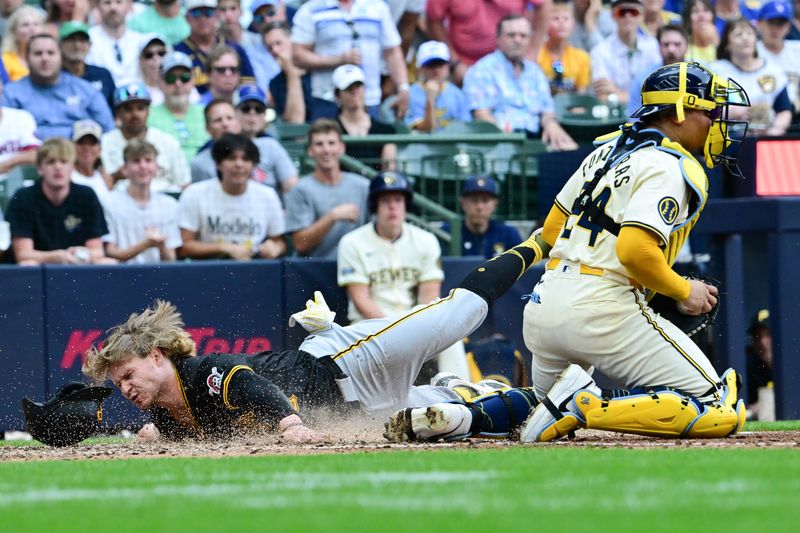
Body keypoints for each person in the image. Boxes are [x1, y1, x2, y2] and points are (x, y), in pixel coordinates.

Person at [385, 62, 752, 444]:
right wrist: (683, 290)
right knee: (718, 406)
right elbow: (634, 251)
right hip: (602, 306)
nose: (715, 122)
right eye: (708, 112)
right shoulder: (669, 165)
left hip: (546, 302)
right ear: (677, 112)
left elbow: (552, 229)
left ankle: (463, 417)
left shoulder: (607, 151)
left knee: (542, 404)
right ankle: (584, 405)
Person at [82, 226, 553, 441]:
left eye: (128, 373)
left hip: (346, 361)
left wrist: (289, 426)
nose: (125, 388)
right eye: (119, 383)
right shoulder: (168, 416)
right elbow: (162, 434)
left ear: (158, 355)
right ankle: (486, 390)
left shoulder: (204, 370)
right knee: (452, 414)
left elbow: (249, 385)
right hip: (359, 411)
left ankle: (539, 241)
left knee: (458, 316)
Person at [338, 172, 443, 323]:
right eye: (385, 200)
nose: (393, 206)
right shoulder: (352, 242)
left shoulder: (426, 240)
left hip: (417, 325)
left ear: (406, 205)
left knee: (454, 346)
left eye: (398, 200)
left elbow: (429, 297)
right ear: (375, 206)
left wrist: (416, 329)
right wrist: (395, 329)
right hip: (369, 327)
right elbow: (361, 300)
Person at [463, 14, 577, 150]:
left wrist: (550, 124)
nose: (517, 40)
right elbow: (481, 116)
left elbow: (547, 109)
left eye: (523, 36)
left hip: (536, 137)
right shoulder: (482, 70)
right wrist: (509, 140)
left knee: (573, 152)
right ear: (498, 38)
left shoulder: (534, 71)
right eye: (511, 35)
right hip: (500, 141)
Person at [291, 0, 410, 121]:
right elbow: (297, 55)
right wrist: (337, 60)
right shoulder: (312, 9)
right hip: (327, 98)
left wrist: (403, 87)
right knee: (326, 138)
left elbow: (393, 52)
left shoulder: (377, 7)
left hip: (369, 98)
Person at [178, 133, 286, 261]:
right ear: (218, 164)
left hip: (254, 268)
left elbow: (279, 241)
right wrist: (223, 248)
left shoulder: (267, 195)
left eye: (246, 159)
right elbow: (183, 247)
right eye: (231, 158)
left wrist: (275, 248)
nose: (239, 164)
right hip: (208, 268)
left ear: (253, 165)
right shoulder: (195, 193)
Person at [6, 137, 113, 265]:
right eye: (51, 162)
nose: (58, 167)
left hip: (75, 264)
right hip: (38, 269)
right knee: (28, 264)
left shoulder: (86, 196)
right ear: (40, 169)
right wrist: (57, 257)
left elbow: (97, 251)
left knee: (107, 263)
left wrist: (82, 253)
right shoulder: (24, 197)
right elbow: (23, 255)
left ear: (72, 167)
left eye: (64, 161)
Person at [2, 34, 115, 140]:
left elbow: (109, 130)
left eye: (51, 53)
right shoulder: (11, 93)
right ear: (26, 58)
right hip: (28, 154)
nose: (45, 58)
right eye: (38, 53)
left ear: (61, 56)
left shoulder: (85, 89)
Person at [284, 119, 369, 259]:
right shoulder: (300, 189)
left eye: (331, 143)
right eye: (319, 144)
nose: (326, 150)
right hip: (314, 270)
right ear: (310, 151)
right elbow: (300, 243)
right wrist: (332, 216)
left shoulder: (363, 186)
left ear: (342, 148)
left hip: (357, 269)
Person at [425, 0, 553, 86]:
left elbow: (545, 4)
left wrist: (532, 52)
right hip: (463, 66)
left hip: (510, 65)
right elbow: (433, 20)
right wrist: (455, 62)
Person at [191, 98, 298, 194]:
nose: (225, 124)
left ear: (238, 122)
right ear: (207, 128)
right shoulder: (199, 163)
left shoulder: (269, 146)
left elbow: (292, 186)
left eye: (229, 118)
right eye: (218, 120)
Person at [102, 139, 181, 264]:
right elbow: (110, 253)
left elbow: (171, 258)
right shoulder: (108, 202)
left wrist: (161, 247)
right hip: (121, 276)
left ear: (156, 167)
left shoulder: (169, 205)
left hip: (158, 277)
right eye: (136, 161)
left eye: (148, 160)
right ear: (125, 169)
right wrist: (146, 244)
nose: (143, 166)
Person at [101, 82, 190, 192]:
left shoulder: (168, 141)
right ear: (118, 113)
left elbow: (183, 184)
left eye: (140, 108)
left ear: (148, 111)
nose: (135, 114)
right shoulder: (104, 143)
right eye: (128, 109)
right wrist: (116, 177)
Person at [711, 18, 792, 136]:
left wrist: (773, 134)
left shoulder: (772, 70)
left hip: (768, 138)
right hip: (728, 140)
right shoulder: (716, 72)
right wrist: (729, 112)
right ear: (727, 43)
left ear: (755, 39)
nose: (745, 38)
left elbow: (784, 110)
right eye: (738, 35)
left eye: (749, 33)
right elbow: (705, 110)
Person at [174, 0, 256, 95]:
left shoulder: (235, 48)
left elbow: (249, 86)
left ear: (217, 15)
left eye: (208, 13)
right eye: (196, 13)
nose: (203, 19)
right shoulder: (178, 52)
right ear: (187, 18)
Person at [589, 0, 660, 105]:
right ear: (613, 16)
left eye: (633, 12)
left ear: (642, 16)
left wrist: (617, 93)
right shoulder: (600, 51)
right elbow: (603, 95)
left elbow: (659, 89)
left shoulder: (653, 46)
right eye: (622, 12)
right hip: (615, 116)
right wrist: (646, 97)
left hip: (649, 116)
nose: (628, 17)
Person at [148, 51, 210, 163]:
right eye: (171, 78)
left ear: (192, 81)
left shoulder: (207, 112)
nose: (178, 84)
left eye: (184, 78)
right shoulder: (148, 115)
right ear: (160, 82)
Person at [332, 64, 396, 171]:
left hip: (376, 187)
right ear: (337, 95)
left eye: (358, 86)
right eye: (348, 88)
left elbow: (389, 171)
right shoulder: (331, 130)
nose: (354, 91)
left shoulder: (384, 130)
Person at [406, 40, 471, 132]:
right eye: (431, 65)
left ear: (448, 67)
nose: (436, 70)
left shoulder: (457, 94)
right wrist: (430, 99)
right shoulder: (411, 94)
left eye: (440, 64)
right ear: (420, 69)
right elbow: (426, 131)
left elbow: (465, 129)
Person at [627, 24, 689, 117]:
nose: (671, 49)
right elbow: (634, 117)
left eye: (677, 44)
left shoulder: (702, 75)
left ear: (687, 46)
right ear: (659, 46)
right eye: (666, 44)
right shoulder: (643, 79)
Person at [453, 175, 523, 258]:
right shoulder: (448, 232)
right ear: (462, 203)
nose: (479, 207)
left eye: (485, 200)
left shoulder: (508, 234)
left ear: (495, 204)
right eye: (474, 200)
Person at [85, 0, 146, 86]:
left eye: (119, 2)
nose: (113, 8)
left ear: (129, 5)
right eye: (107, 2)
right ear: (97, 6)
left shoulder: (141, 40)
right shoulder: (87, 40)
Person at [537, 0, 591, 95]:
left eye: (566, 19)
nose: (561, 23)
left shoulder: (582, 57)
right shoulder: (536, 55)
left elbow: (582, 94)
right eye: (556, 18)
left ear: (573, 24)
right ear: (546, 23)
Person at [59, 21, 116, 110]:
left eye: (82, 40)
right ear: (60, 45)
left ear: (90, 45)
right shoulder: (53, 77)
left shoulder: (102, 75)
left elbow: (115, 110)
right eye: (71, 40)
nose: (77, 45)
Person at [756, 1, 800, 117]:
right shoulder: (751, 51)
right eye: (771, 23)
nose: (775, 29)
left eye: (780, 24)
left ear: (788, 26)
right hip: (761, 115)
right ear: (759, 23)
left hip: (795, 116)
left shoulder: (797, 50)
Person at [265, 21, 311, 124]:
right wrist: (291, 73)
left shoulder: (315, 71)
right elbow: (295, 121)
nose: (275, 50)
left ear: (292, 40)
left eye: (278, 43)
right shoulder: (275, 84)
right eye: (269, 47)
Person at [0, 77, 41, 181]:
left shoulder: (21, 117)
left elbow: (35, 156)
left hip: (21, 187)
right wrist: (19, 159)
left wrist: (3, 165)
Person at [70, 119, 112, 206]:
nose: (86, 147)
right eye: (81, 142)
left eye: (92, 143)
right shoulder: (67, 176)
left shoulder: (105, 178)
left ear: (100, 148)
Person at [1, 5, 45, 82]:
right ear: (14, 32)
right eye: (25, 25)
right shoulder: (4, 59)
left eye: (36, 24)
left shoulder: (50, 55)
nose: (32, 29)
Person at [745, 309, 775, 420]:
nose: (762, 342)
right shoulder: (749, 365)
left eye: (768, 335)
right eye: (757, 336)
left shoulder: (792, 362)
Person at [683, 0, 718, 64]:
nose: (701, 15)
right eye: (695, 11)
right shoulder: (682, 46)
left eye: (706, 10)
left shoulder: (721, 44)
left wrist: (717, 43)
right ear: (688, 20)